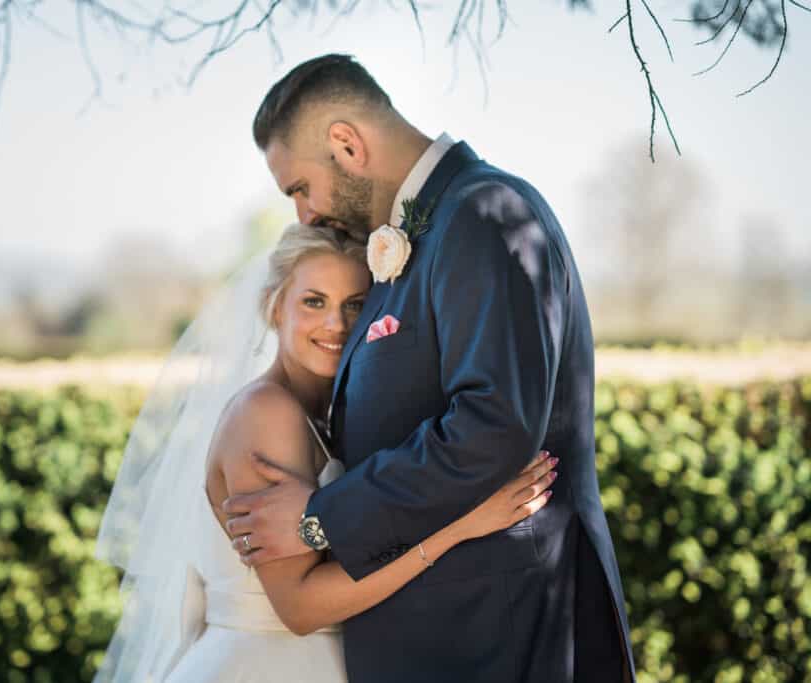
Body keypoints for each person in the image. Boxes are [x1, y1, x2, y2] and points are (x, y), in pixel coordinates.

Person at [221, 54, 635, 682]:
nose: (302, 215)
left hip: (501, 631)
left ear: (346, 144)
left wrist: (320, 518)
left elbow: (493, 427)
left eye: (300, 187)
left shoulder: (484, 215)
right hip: (442, 635)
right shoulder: (421, 234)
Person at [93, 223, 556, 683]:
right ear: (274, 308)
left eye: (355, 305)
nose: (335, 324)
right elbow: (300, 607)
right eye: (314, 302)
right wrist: (459, 527)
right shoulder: (266, 412)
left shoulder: (320, 416)